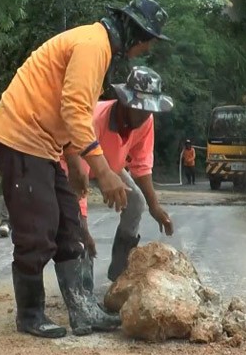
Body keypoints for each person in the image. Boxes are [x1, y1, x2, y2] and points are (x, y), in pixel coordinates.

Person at [0, 0, 171, 338]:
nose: (144, 50)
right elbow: (74, 108)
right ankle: (29, 315)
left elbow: (75, 111)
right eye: (146, 43)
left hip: (46, 141)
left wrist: (74, 158)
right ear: (135, 33)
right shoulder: (92, 46)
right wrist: (102, 170)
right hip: (21, 135)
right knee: (37, 230)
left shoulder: (96, 48)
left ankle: (84, 310)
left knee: (70, 227)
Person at [64, 66, 175, 291]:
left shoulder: (145, 121)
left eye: (149, 110)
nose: (145, 115)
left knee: (136, 203)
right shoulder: (95, 120)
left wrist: (155, 207)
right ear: (125, 101)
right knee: (75, 225)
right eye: (140, 109)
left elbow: (141, 166)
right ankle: (83, 289)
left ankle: (120, 272)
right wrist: (83, 228)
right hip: (74, 165)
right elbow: (78, 183)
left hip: (111, 167)